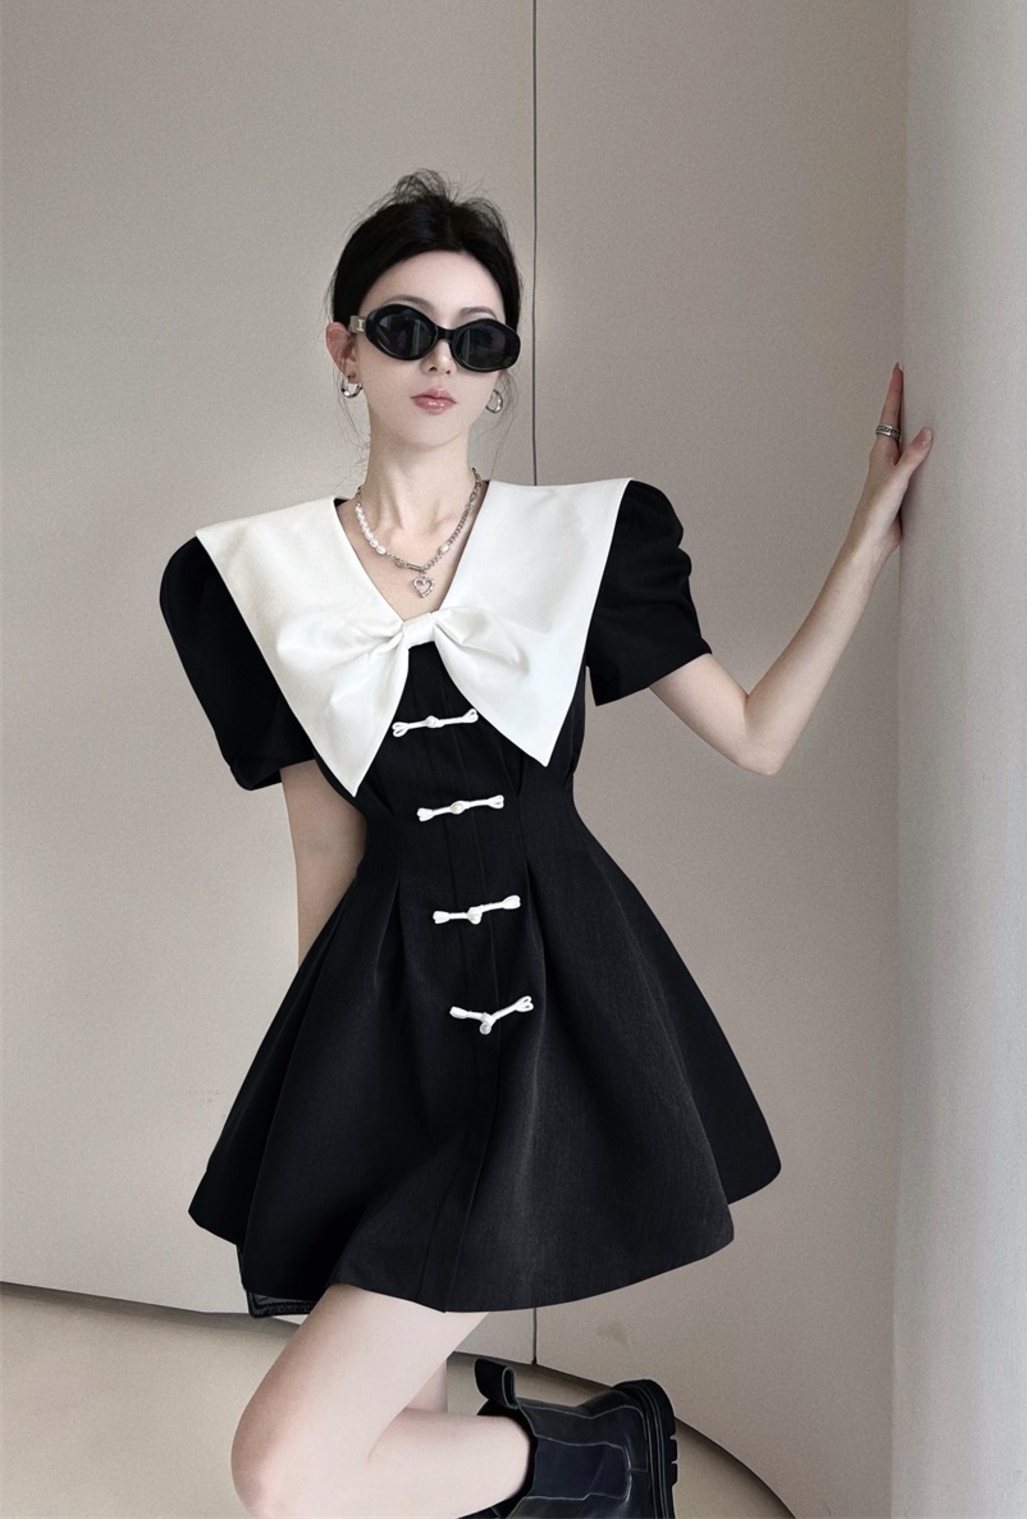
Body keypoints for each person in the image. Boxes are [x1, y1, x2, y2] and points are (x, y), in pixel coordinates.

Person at [159, 169, 933, 1519]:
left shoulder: (584, 539)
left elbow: (756, 733)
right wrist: (329, 1081)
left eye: (478, 338)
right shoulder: (254, 580)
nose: (441, 363)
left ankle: (610, 1461)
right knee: (387, 1436)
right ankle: (598, 1466)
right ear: (344, 347)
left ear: (504, 363)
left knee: (283, 1468)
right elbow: (325, 849)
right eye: (405, 329)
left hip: (555, 1005)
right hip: (385, 1011)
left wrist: (864, 541)